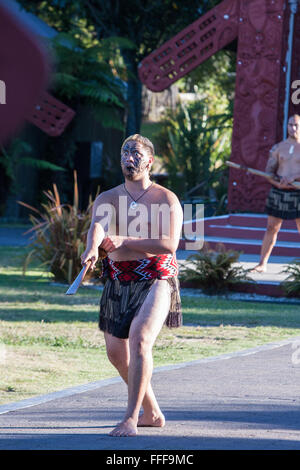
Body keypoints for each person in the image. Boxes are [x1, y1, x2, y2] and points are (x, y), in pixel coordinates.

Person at [81, 134, 183, 437]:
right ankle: (151, 411)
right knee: (116, 353)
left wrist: (126, 240)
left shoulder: (166, 199)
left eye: (136, 153)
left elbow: (169, 243)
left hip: (156, 277)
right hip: (118, 278)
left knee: (139, 339)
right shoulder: (108, 198)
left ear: (149, 161)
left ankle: (130, 418)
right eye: (125, 151)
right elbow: (98, 226)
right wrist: (91, 248)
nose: (129, 157)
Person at [252, 114, 300, 273]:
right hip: (279, 192)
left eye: (297, 125)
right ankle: (262, 263)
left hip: (298, 192)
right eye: (291, 125)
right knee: (271, 228)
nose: (293, 128)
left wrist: (294, 177)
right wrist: (277, 182)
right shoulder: (279, 147)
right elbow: (269, 173)